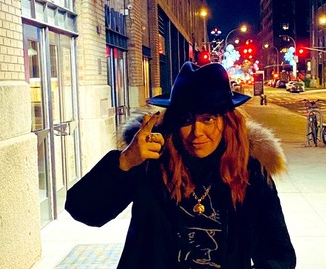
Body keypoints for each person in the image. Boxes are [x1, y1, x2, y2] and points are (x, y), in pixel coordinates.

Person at [65, 62, 296, 268]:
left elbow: (278, 254)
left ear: (227, 121)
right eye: (187, 120)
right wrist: (126, 160)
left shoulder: (248, 172)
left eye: (208, 119)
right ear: (175, 122)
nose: (197, 132)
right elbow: (82, 209)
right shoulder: (151, 164)